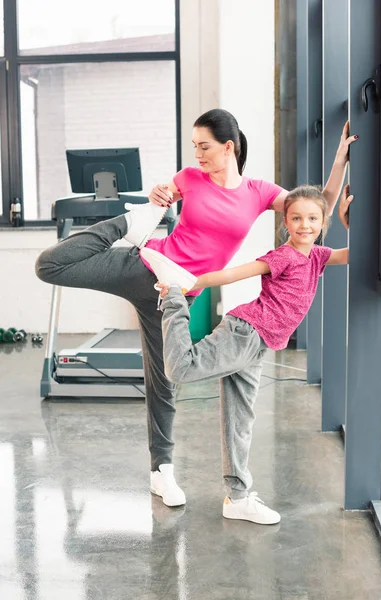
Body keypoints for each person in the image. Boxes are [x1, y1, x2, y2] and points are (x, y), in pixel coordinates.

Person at [35, 108, 356, 509]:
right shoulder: (189, 179)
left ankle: (161, 472)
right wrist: (153, 201)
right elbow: (163, 194)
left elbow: (316, 206)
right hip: (148, 266)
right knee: (49, 264)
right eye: (194, 147)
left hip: (178, 294)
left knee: (164, 381)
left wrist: (340, 158)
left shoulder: (258, 192)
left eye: (204, 147)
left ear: (229, 147)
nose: (198, 154)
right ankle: (125, 226)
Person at [142, 184, 353, 524]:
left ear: (323, 220)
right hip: (246, 332)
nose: (305, 225)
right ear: (285, 220)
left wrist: (347, 216)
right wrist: (182, 287)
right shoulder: (282, 257)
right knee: (180, 369)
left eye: (313, 218)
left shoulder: (317, 256)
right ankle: (171, 302)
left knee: (240, 419)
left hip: (259, 345)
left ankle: (237, 497)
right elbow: (232, 274)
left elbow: (353, 253)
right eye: (296, 218)